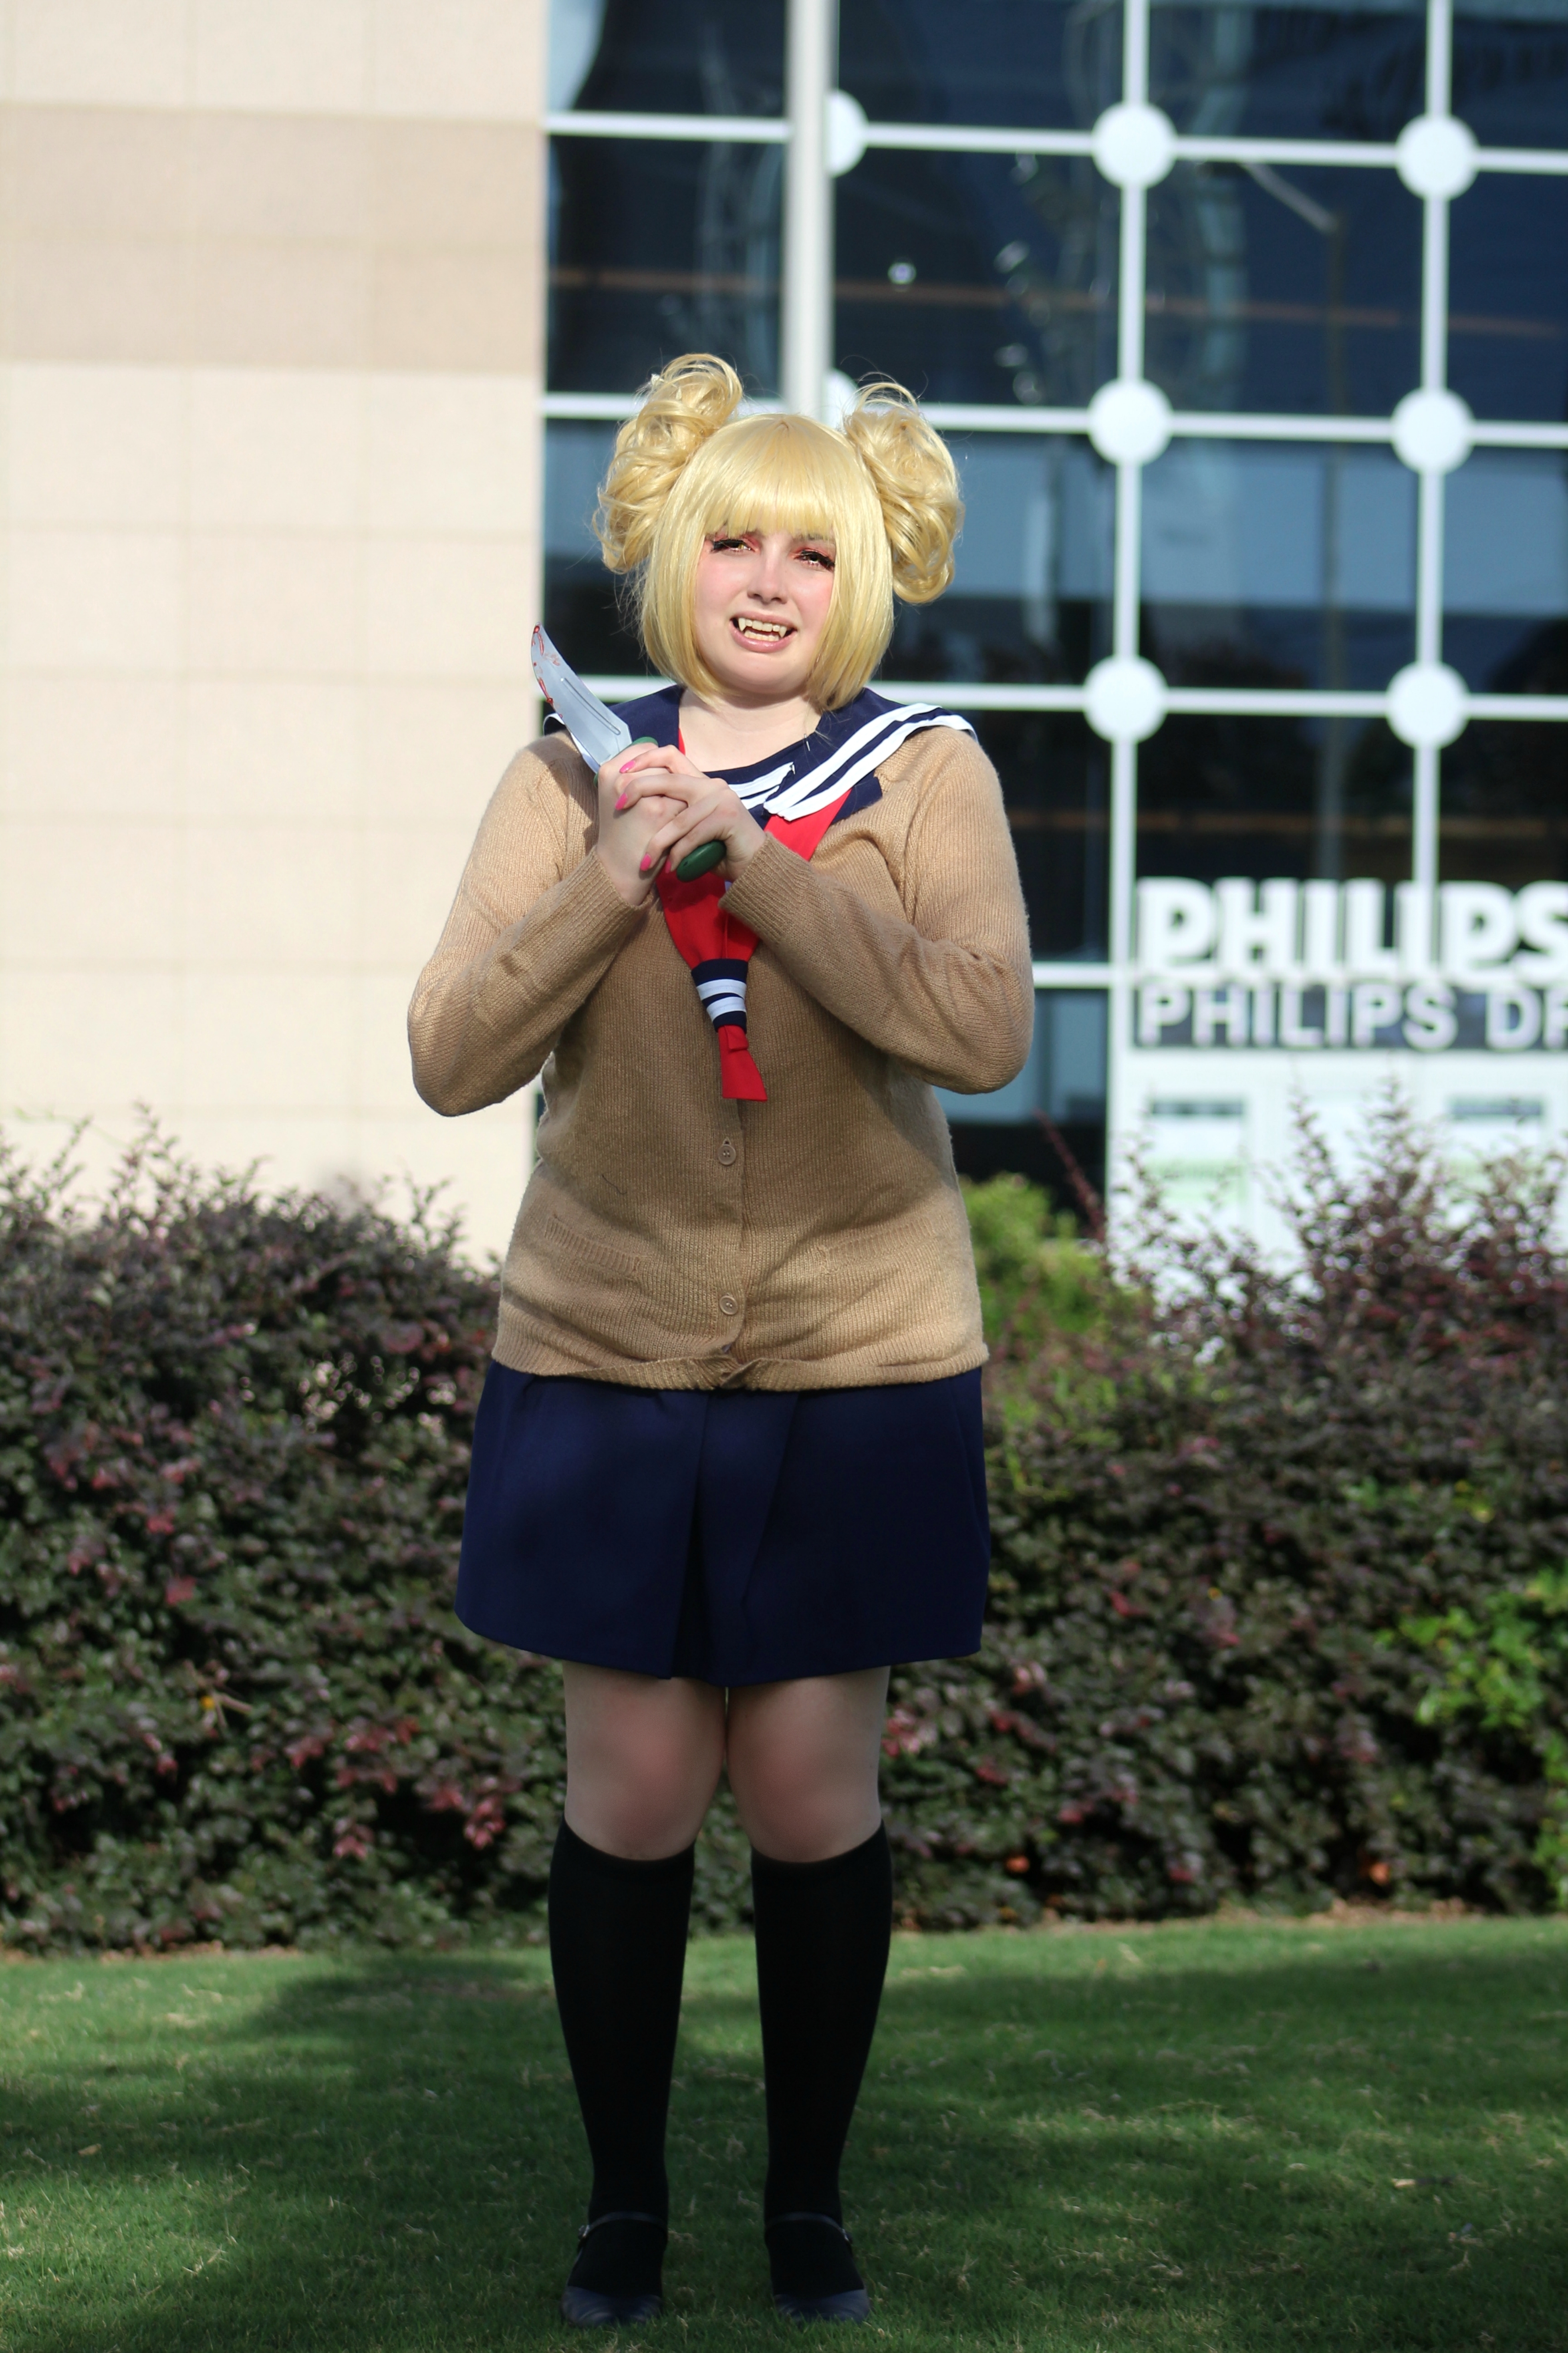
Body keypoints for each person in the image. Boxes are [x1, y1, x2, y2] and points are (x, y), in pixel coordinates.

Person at [408, 352, 1032, 2328]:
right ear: (671, 554)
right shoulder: (560, 777)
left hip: (858, 1360)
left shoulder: (924, 774)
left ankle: (807, 2208)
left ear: (863, 576)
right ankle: (623, 2213)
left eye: (810, 552)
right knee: (633, 1797)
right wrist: (614, 873)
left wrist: (756, 865)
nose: (767, 581)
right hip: (608, 1353)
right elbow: (449, 1059)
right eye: (734, 542)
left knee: (811, 1799)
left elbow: (980, 1029)